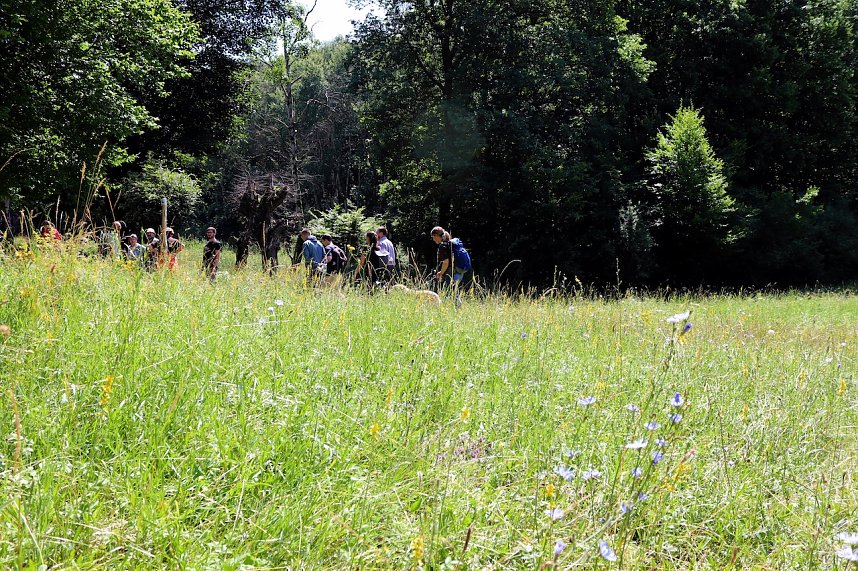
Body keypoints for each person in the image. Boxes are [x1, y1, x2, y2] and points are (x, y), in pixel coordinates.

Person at [430, 225, 470, 294]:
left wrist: (441, 273)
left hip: (452, 271)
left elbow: (446, 262)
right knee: (454, 291)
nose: (433, 239)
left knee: (450, 292)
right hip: (460, 270)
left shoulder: (443, 246)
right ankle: (457, 304)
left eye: (433, 237)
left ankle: (456, 304)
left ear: (436, 235)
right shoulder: (449, 244)